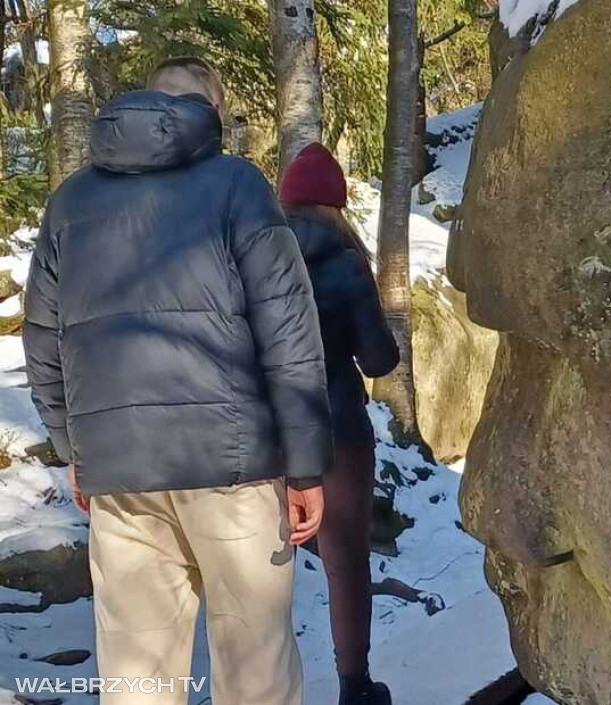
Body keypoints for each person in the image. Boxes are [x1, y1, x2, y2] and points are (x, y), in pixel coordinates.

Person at [23, 57, 332, 705]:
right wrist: (305, 467)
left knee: (137, 676)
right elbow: (289, 329)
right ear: (211, 113)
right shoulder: (236, 185)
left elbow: (44, 337)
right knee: (256, 672)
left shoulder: (71, 201)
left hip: (122, 472)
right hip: (234, 467)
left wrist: (73, 448)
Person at [278, 143, 399, 705]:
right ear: (337, 204)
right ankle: (355, 686)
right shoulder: (346, 259)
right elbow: (377, 360)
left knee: (257, 568)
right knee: (345, 561)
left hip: (268, 430)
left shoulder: (254, 255)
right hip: (337, 429)